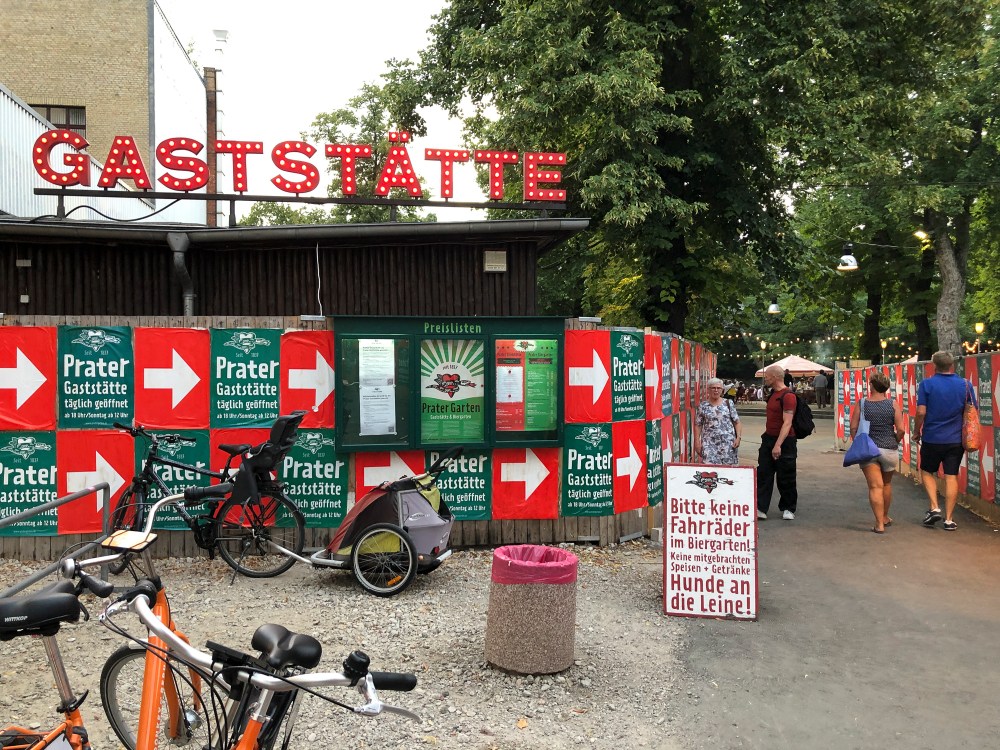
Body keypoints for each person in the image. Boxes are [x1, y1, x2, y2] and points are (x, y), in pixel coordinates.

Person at [914, 351, 976, 531]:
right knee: (951, 475)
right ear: (952, 365)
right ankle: (949, 520)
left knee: (927, 471)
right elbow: (971, 411)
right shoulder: (965, 385)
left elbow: (921, 412)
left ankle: (934, 507)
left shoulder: (926, 384)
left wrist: (917, 431)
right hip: (955, 440)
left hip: (932, 437)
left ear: (934, 366)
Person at [849, 372, 905, 533]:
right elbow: (900, 429)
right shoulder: (893, 404)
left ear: (872, 385)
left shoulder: (862, 403)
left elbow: (853, 427)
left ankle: (879, 524)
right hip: (889, 449)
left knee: (875, 487)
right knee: (886, 484)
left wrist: (858, 442)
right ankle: (885, 517)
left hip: (869, 450)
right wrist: (895, 440)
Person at [757, 364, 798, 520]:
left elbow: (787, 423)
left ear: (774, 377)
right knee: (764, 473)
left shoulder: (788, 396)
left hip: (785, 441)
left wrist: (778, 445)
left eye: (767, 376)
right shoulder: (772, 394)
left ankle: (789, 508)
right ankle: (761, 507)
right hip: (768, 438)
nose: (765, 378)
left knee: (786, 475)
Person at [694, 378, 742, 465]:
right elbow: (698, 424)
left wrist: (738, 437)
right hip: (709, 444)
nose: (716, 390)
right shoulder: (703, 406)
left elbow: (737, 422)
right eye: (713, 388)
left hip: (728, 444)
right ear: (708, 389)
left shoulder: (728, 403)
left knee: (728, 471)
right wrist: (697, 441)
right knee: (710, 470)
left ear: (722, 390)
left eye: (718, 388)